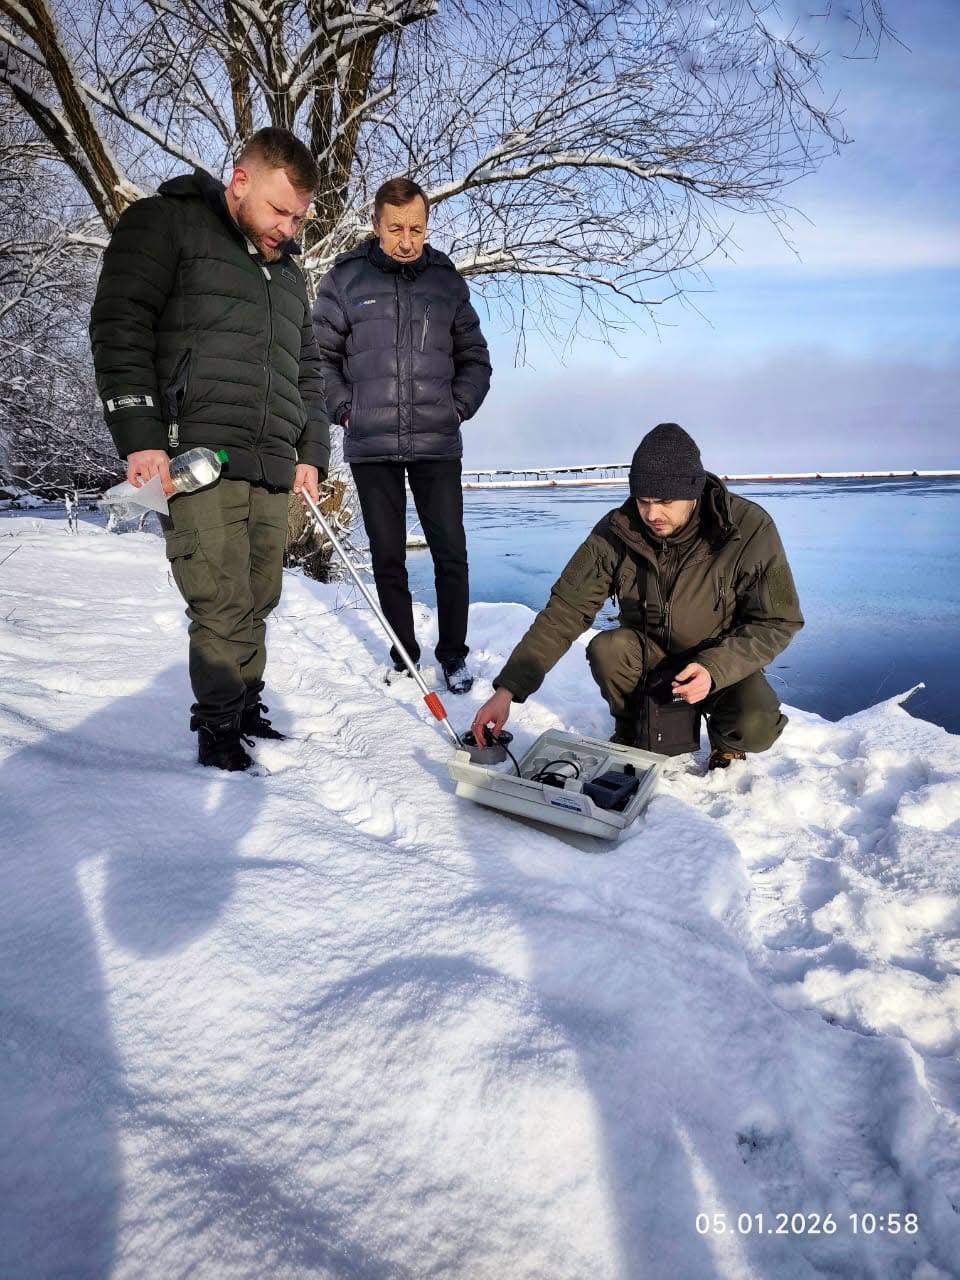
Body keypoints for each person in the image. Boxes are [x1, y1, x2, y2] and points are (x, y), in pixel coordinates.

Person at [90, 127, 330, 771]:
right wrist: (139, 436)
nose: (288, 227)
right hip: (197, 452)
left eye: (299, 217)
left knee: (259, 593)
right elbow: (121, 323)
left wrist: (311, 449)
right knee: (218, 594)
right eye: (280, 211)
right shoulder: (166, 223)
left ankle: (246, 704)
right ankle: (219, 729)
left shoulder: (288, 274)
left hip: (272, 459)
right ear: (240, 179)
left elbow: (306, 370)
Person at [472, 423, 804, 769]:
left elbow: (779, 620)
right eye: (643, 501)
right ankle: (634, 730)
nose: (652, 514)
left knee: (756, 725)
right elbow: (565, 611)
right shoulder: (617, 529)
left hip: (718, 659)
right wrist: (507, 690)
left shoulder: (751, 528)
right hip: (649, 657)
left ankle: (725, 742)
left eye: (664, 501)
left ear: (693, 492)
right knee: (607, 649)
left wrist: (714, 668)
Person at [312, 177, 491, 693]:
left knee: (450, 553)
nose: (407, 240)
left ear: (426, 225)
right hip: (371, 446)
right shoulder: (345, 280)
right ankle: (405, 651)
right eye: (396, 229)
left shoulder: (446, 282)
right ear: (376, 225)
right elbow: (317, 357)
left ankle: (453, 656)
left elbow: (475, 359)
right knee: (387, 555)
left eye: (416, 228)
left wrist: (457, 406)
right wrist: (346, 409)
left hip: (437, 441)